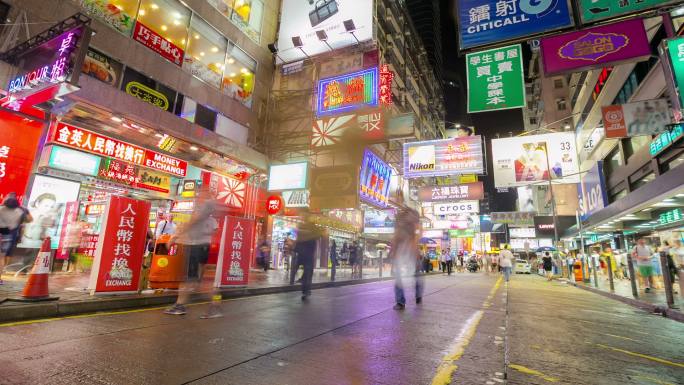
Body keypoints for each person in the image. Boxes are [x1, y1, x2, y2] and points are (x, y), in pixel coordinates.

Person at [164, 188, 221, 318]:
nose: (198, 195)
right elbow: (214, 230)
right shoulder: (210, 213)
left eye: (200, 193)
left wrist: (175, 236)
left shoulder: (204, 206)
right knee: (199, 280)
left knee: (189, 279)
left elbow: (193, 220)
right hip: (204, 247)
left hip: (195, 246)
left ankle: (180, 306)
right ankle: (216, 305)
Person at [390, 207, 422, 310]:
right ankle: (400, 301)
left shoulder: (412, 217)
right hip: (401, 250)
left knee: (416, 275)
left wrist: (414, 246)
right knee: (399, 277)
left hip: (411, 250)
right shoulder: (399, 220)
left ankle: (418, 294)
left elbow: (418, 231)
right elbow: (395, 236)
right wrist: (394, 251)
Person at [0, 194, 31, 283]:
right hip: (7, 235)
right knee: (1, 257)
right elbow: (29, 220)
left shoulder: (1, 209)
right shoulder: (20, 211)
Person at [294, 215, 322, 299]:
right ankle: (306, 290)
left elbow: (298, 240)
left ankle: (305, 289)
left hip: (303, 254)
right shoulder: (312, 233)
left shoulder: (304, 230)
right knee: (308, 274)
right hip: (308, 256)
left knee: (306, 274)